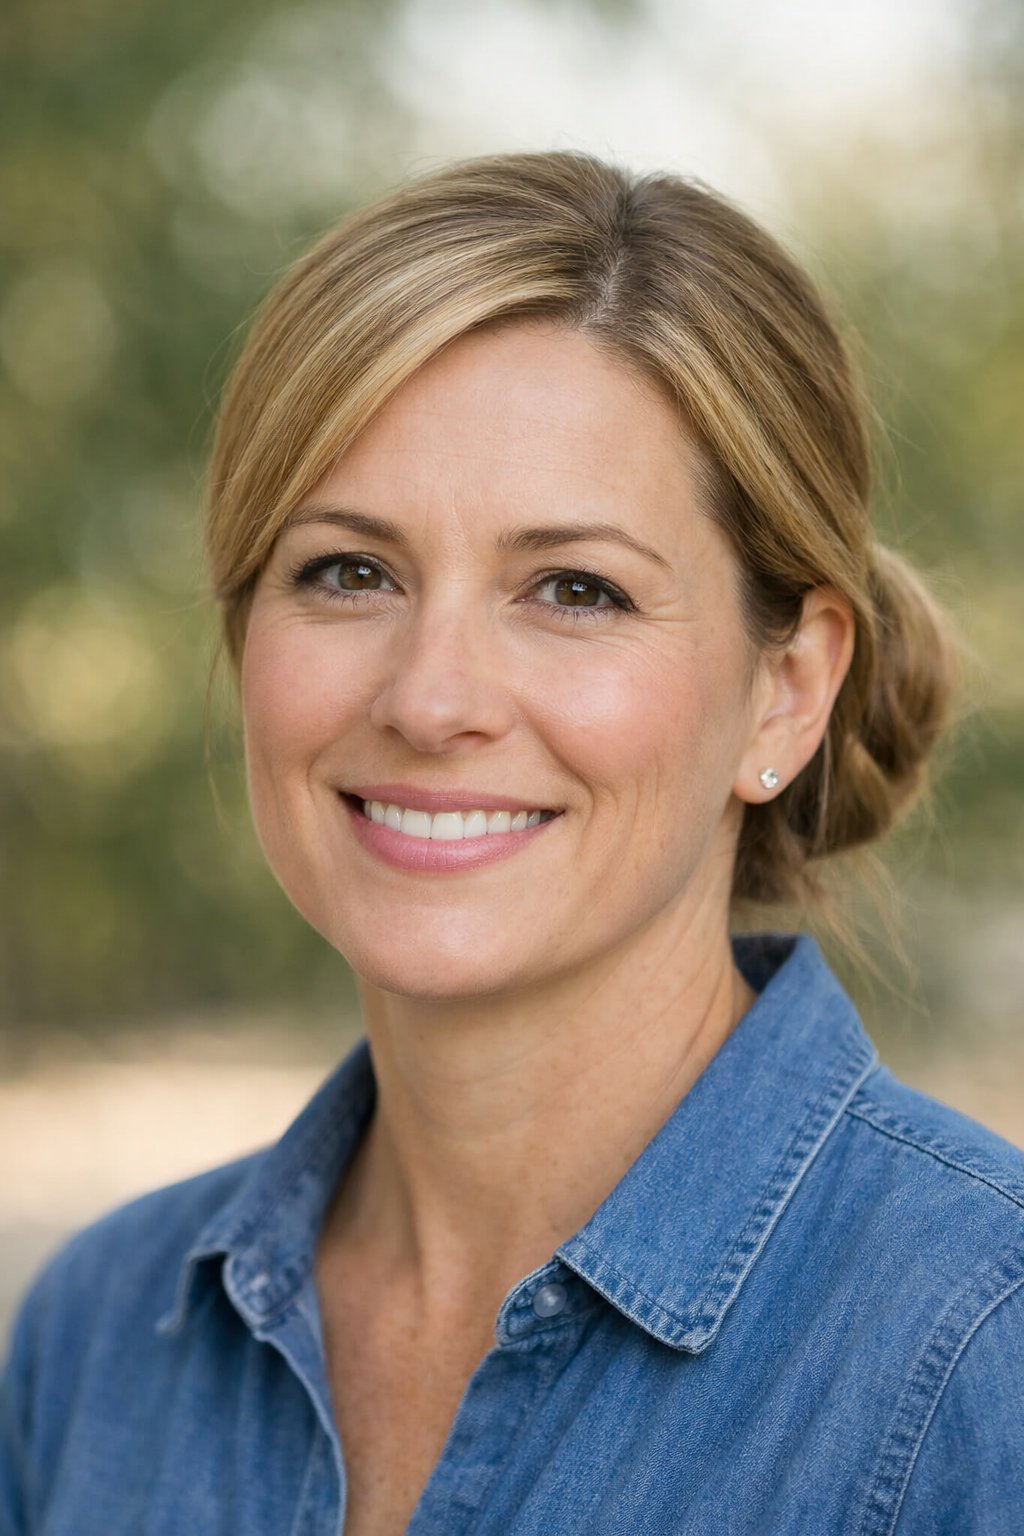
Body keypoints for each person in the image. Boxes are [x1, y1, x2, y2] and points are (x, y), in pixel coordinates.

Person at [1, 149, 1022, 1536]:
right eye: (347, 571)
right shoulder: (98, 1344)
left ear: (786, 688)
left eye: (575, 590)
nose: (430, 700)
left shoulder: (984, 1358)